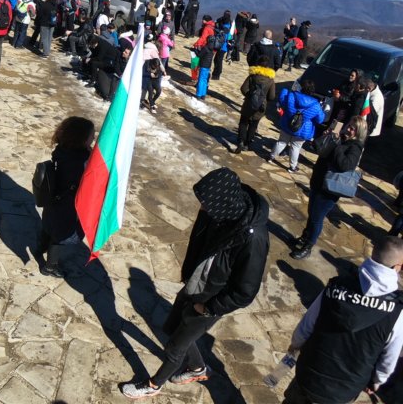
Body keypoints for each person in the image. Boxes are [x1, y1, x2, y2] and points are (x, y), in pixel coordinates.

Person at [121, 168, 269, 398]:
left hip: (211, 299)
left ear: (224, 203)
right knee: (172, 327)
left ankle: (153, 385)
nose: (202, 208)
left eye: (206, 204)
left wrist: (208, 307)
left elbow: (245, 292)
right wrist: (189, 271)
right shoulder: (220, 211)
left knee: (175, 347)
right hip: (195, 284)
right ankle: (198, 369)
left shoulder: (253, 239)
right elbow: (198, 242)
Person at [283, 236, 403, 404]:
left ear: (373, 254)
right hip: (343, 391)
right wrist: (377, 381)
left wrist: (295, 345)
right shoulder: (397, 312)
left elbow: (306, 326)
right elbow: (389, 359)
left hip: (309, 375)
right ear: (397, 266)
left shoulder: (336, 286)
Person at [290, 117, 368, 260]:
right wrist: (326, 136)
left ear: (359, 132)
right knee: (311, 212)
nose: (348, 129)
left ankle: (308, 246)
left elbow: (345, 165)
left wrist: (337, 145)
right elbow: (317, 148)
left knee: (317, 218)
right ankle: (305, 236)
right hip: (318, 180)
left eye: (353, 129)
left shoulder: (355, 147)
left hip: (330, 188)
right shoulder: (340, 137)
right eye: (349, 125)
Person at [37, 116, 95, 277]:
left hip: (54, 201)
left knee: (50, 225)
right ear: (81, 138)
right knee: (61, 236)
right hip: (67, 206)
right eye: (91, 135)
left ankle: (41, 246)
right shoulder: (80, 162)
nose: (94, 138)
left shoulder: (63, 150)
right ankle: (50, 267)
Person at [270, 80, 325, 172]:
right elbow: (320, 120)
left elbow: (282, 100)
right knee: (295, 147)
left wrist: (284, 90)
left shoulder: (291, 96)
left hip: (287, 124)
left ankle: (271, 157)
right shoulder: (316, 105)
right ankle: (292, 167)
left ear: (301, 87)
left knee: (281, 142)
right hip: (303, 130)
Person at [234, 65, 276, 154]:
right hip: (261, 107)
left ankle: (241, 141)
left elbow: (243, 88)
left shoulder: (252, 76)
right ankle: (247, 144)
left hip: (248, 104)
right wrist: (264, 100)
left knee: (243, 122)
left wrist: (249, 96)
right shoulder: (271, 80)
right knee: (253, 125)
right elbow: (271, 96)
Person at [191, 16, 217, 98]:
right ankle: (203, 94)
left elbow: (203, 38)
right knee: (205, 79)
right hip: (208, 66)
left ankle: (198, 94)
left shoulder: (206, 48)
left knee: (201, 79)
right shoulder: (212, 49)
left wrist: (196, 47)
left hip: (203, 65)